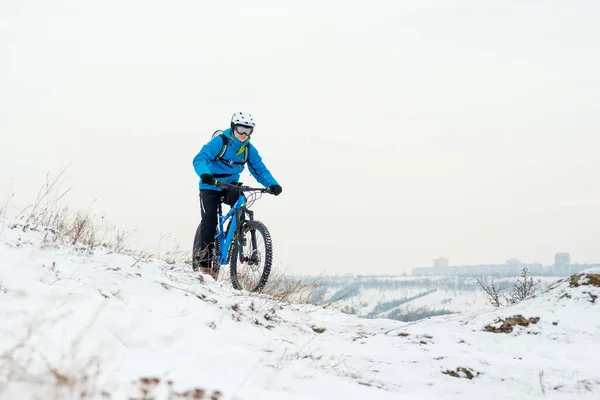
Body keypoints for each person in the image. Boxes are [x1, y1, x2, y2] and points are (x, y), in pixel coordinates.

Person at [192, 111, 282, 276]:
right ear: (233, 127)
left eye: (248, 130)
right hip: (210, 185)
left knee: (241, 199)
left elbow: (259, 169)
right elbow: (200, 159)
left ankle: (235, 232)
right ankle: (205, 265)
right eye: (240, 129)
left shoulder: (248, 149)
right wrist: (205, 174)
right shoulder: (220, 142)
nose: (243, 134)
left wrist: (272, 184)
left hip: (230, 185)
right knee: (210, 221)